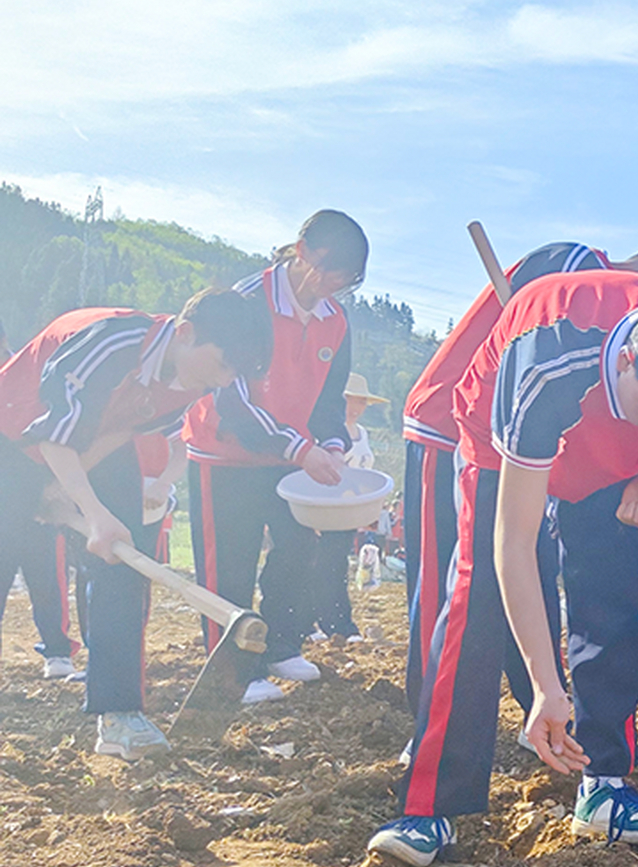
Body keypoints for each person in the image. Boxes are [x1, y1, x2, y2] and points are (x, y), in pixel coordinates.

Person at [367, 275, 638, 866]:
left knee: (615, 596)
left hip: (608, 462)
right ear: (626, 360)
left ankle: (604, 785)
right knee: (479, 597)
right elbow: (515, 545)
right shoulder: (548, 363)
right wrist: (547, 688)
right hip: (502, 446)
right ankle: (429, 807)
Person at [398, 239, 638, 724]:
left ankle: (539, 703)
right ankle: (427, 720)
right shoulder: (578, 268)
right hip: (452, 425)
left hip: (534, 450)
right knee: (456, 587)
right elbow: (530, 355)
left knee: (531, 571)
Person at [0, 288, 272, 757]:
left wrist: (79, 497)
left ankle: (120, 714)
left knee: (121, 559)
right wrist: (88, 509)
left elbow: (119, 429)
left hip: (90, 444)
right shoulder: (110, 345)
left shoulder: (191, 383)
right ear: (186, 334)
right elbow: (54, 429)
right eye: (224, 365)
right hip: (11, 431)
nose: (226, 381)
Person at [184, 210, 366, 706]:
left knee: (298, 548)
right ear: (303, 251)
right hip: (225, 451)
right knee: (231, 564)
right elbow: (232, 396)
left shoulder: (335, 320)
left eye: (345, 282)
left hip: (291, 457)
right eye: (330, 273)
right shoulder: (246, 303)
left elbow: (330, 399)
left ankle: (281, 643)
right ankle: (233, 670)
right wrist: (300, 448)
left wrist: (331, 446)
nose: (332, 288)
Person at [312, 372, 387, 641]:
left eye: (361, 403)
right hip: (325, 507)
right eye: (349, 401)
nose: (355, 409)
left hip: (349, 510)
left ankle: (331, 622)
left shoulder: (363, 434)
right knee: (321, 564)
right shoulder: (323, 432)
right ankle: (327, 623)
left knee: (335, 566)